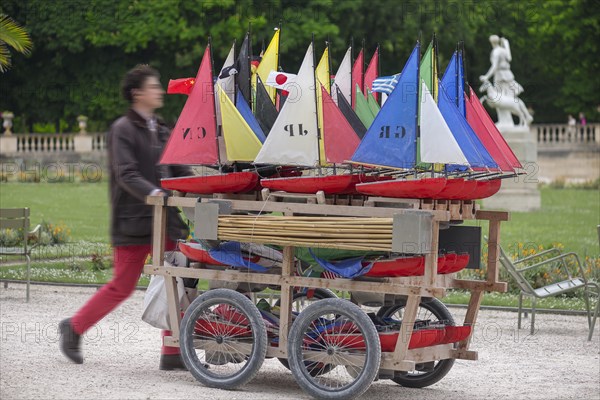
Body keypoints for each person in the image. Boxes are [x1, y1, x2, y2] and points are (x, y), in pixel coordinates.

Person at [59, 65, 192, 370]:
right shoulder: (122, 129)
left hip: (166, 222)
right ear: (138, 93)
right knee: (122, 285)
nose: (159, 90)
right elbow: (126, 173)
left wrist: (198, 188)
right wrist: (156, 194)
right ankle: (74, 327)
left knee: (174, 282)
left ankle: (171, 352)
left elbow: (179, 169)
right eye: (154, 86)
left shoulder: (162, 128)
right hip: (135, 222)